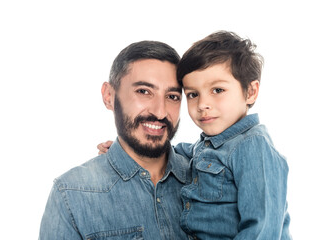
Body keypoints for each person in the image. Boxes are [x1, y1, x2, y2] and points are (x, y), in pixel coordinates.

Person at [99, 31, 292, 239]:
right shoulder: (211, 145)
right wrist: (127, 151)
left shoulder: (254, 146)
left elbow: (262, 228)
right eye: (193, 94)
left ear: (251, 92)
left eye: (218, 90)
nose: (202, 105)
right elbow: (180, 152)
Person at [39, 40, 191, 239]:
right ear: (109, 96)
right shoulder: (71, 193)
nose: (160, 112)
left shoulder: (207, 178)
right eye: (144, 91)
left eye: (172, 96)